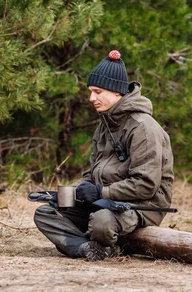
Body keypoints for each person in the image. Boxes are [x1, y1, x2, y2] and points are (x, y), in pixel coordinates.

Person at [34, 50, 174, 261]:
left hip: (141, 207)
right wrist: (67, 194)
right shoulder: (104, 125)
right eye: (91, 91)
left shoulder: (143, 128)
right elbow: (92, 175)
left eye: (97, 91)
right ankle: (86, 248)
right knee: (45, 213)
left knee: (101, 222)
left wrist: (101, 191)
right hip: (105, 201)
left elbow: (146, 185)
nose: (91, 98)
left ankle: (100, 242)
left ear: (116, 91)